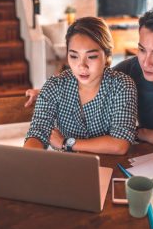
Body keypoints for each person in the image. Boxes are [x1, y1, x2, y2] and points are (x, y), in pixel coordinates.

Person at [25, 4, 153, 156]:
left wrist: (138, 133)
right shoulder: (131, 68)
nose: (146, 62)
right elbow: (94, 79)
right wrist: (46, 93)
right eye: (142, 49)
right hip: (147, 154)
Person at [24, 17, 137, 155]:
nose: (81, 66)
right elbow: (37, 132)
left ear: (107, 55)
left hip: (111, 166)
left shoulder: (122, 86)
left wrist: (66, 143)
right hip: (69, 167)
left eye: (91, 56)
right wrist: (27, 161)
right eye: (74, 56)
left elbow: (120, 144)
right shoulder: (55, 86)